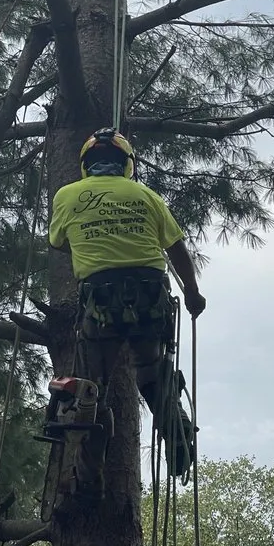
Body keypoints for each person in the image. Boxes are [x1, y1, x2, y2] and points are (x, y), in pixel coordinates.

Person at [48, 127, 206, 480]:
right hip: (150, 296)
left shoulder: (68, 195)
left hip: (100, 301)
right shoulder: (147, 196)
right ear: (127, 164)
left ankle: (89, 475)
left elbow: (59, 241)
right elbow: (176, 247)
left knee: (91, 386)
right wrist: (193, 293)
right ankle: (176, 429)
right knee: (151, 373)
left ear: (86, 165)